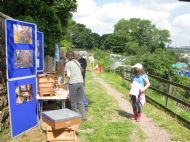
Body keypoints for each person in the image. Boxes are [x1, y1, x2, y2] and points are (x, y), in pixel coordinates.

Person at [64, 51, 87, 121]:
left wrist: (65, 82)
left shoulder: (68, 64)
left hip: (73, 83)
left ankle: (75, 118)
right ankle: (83, 117)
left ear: (67, 57)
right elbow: (81, 70)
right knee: (80, 101)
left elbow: (68, 75)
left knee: (73, 102)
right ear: (73, 56)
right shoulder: (77, 62)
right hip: (81, 82)